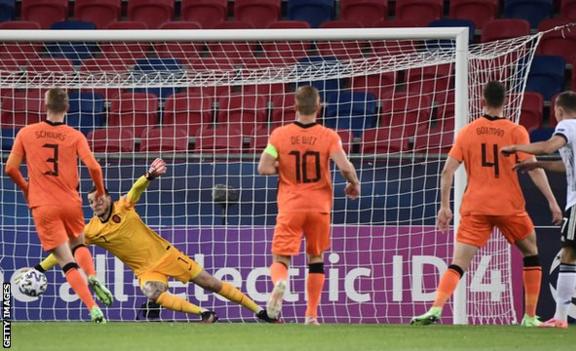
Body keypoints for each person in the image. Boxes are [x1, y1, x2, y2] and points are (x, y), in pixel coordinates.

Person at [35, 158, 279, 323]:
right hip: (145, 270)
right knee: (152, 291)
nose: (95, 203)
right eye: (91, 202)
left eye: (99, 198)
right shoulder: (91, 230)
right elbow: (64, 250)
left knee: (211, 283)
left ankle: (260, 312)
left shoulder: (124, 206)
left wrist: (149, 175)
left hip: (167, 255)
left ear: (108, 198)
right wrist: (39, 269)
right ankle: (203, 313)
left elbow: (136, 189)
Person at [411, 81, 562, 327]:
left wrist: (444, 206)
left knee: (458, 263)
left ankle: (435, 309)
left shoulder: (468, 131)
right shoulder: (516, 131)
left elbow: (447, 171)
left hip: (476, 207)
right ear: (505, 101)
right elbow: (534, 170)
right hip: (508, 207)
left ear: (482, 99)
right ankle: (530, 317)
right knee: (531, 254)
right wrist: (553, 202)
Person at [503, 90, 576, 328]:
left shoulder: (567, 126)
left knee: (568, 253)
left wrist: (517, 147)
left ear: (558, 111)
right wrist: (538, 165)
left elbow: (549, 146)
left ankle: (561, 317)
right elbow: (568, 165)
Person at [4, 88, 111, 323]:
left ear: (45, 105)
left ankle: (93, 308)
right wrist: (101, 192)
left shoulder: (26, 132)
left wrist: (26, 188)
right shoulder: (75, 135)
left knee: (65, 260)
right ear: (67, 108)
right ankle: (92, 275)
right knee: (78, 242)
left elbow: (10, 168)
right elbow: (94, 167)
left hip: (43, 204)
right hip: (71, 201)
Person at [257, 86, 360, 325]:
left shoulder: (279, 135)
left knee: (280, 258)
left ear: (295, 105)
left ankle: (280, 282)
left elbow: (263, 167)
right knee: (316, 257)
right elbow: (345, 166)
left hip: (291, 205)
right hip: (319, 206)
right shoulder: (329, 136)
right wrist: (354, 183)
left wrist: (283, 168)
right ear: (318, 107)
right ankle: (311, 315)